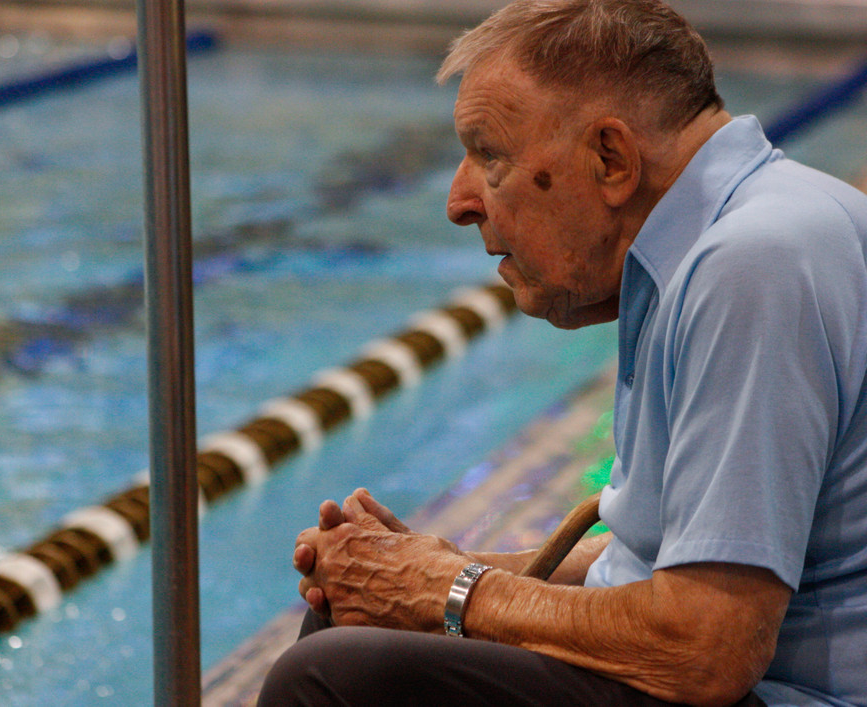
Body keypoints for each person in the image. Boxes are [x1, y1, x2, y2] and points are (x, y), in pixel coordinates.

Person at [258, 1, 867, 705]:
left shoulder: (751, 266)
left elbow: (710, 645)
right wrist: (438, 571)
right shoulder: (716, 239)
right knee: (347, 618)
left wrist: (448, 592)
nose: (459, 201)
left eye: (490, 155)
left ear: (610, 158)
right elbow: (667, 561)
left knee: (336, 678)